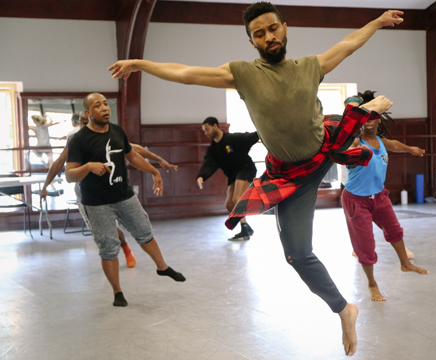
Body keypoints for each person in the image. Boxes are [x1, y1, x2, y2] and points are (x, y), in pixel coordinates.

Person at [109, 2, 404, 355]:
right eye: (259, 34)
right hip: (290, 176)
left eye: (273, 29)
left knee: (349, 130)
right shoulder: (243, 74)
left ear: (285, 28)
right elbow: (185, 72)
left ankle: (363, 111)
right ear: (252, 42)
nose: (269, 37)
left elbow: (348, 43)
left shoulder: (310, 67)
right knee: (296, 255)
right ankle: (344, 309)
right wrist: (140, 63)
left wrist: (378, 20)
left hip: (323, 150)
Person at [66, 93, 185, 307]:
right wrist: (87, 167)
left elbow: (133, 156)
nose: (104, 108)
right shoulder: (79, 140)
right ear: (88, 113)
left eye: (105, 104)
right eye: (97, 105)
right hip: (96, 203)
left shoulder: (117, 131)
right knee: (109, 247)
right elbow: (69, 174)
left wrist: (154, 171)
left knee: (144, 232)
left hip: (124, 196)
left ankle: (162, 267)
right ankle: (117, 292)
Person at [41, 113, 178, 268]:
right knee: (108, 230)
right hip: (88, 196)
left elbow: (133, 150)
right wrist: (45, 186)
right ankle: (124, 247)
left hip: (113, 192)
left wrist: (158, 160)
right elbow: (59, 162)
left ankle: (127, 250)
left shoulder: (108, 134)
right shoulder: (76, 139)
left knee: (137, 228)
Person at [341, 91, 428, 302]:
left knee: (395, 231)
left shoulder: (381, 140)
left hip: (379, 196)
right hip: (355, 199)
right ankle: (372, 285)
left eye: (373, 118)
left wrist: (411, 149)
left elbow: (395, 145)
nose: (369, 123)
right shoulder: (356, 142)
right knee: (365, 244)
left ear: (379, 119)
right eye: (365, 119)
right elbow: (343, 148)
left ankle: (405, 264)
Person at [196, 116, 259, 241]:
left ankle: (244, 230)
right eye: (204, 131)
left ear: (215, 126)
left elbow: (248, 138)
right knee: (229, 204)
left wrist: (262, 132)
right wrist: (201, 176)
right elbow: (209, 163)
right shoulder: (213, 149)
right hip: (233, 174)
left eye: (207, 129)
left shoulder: (232, 139)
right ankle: (247, 227)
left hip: (245, 169)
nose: (206, 133)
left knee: (237, 198)